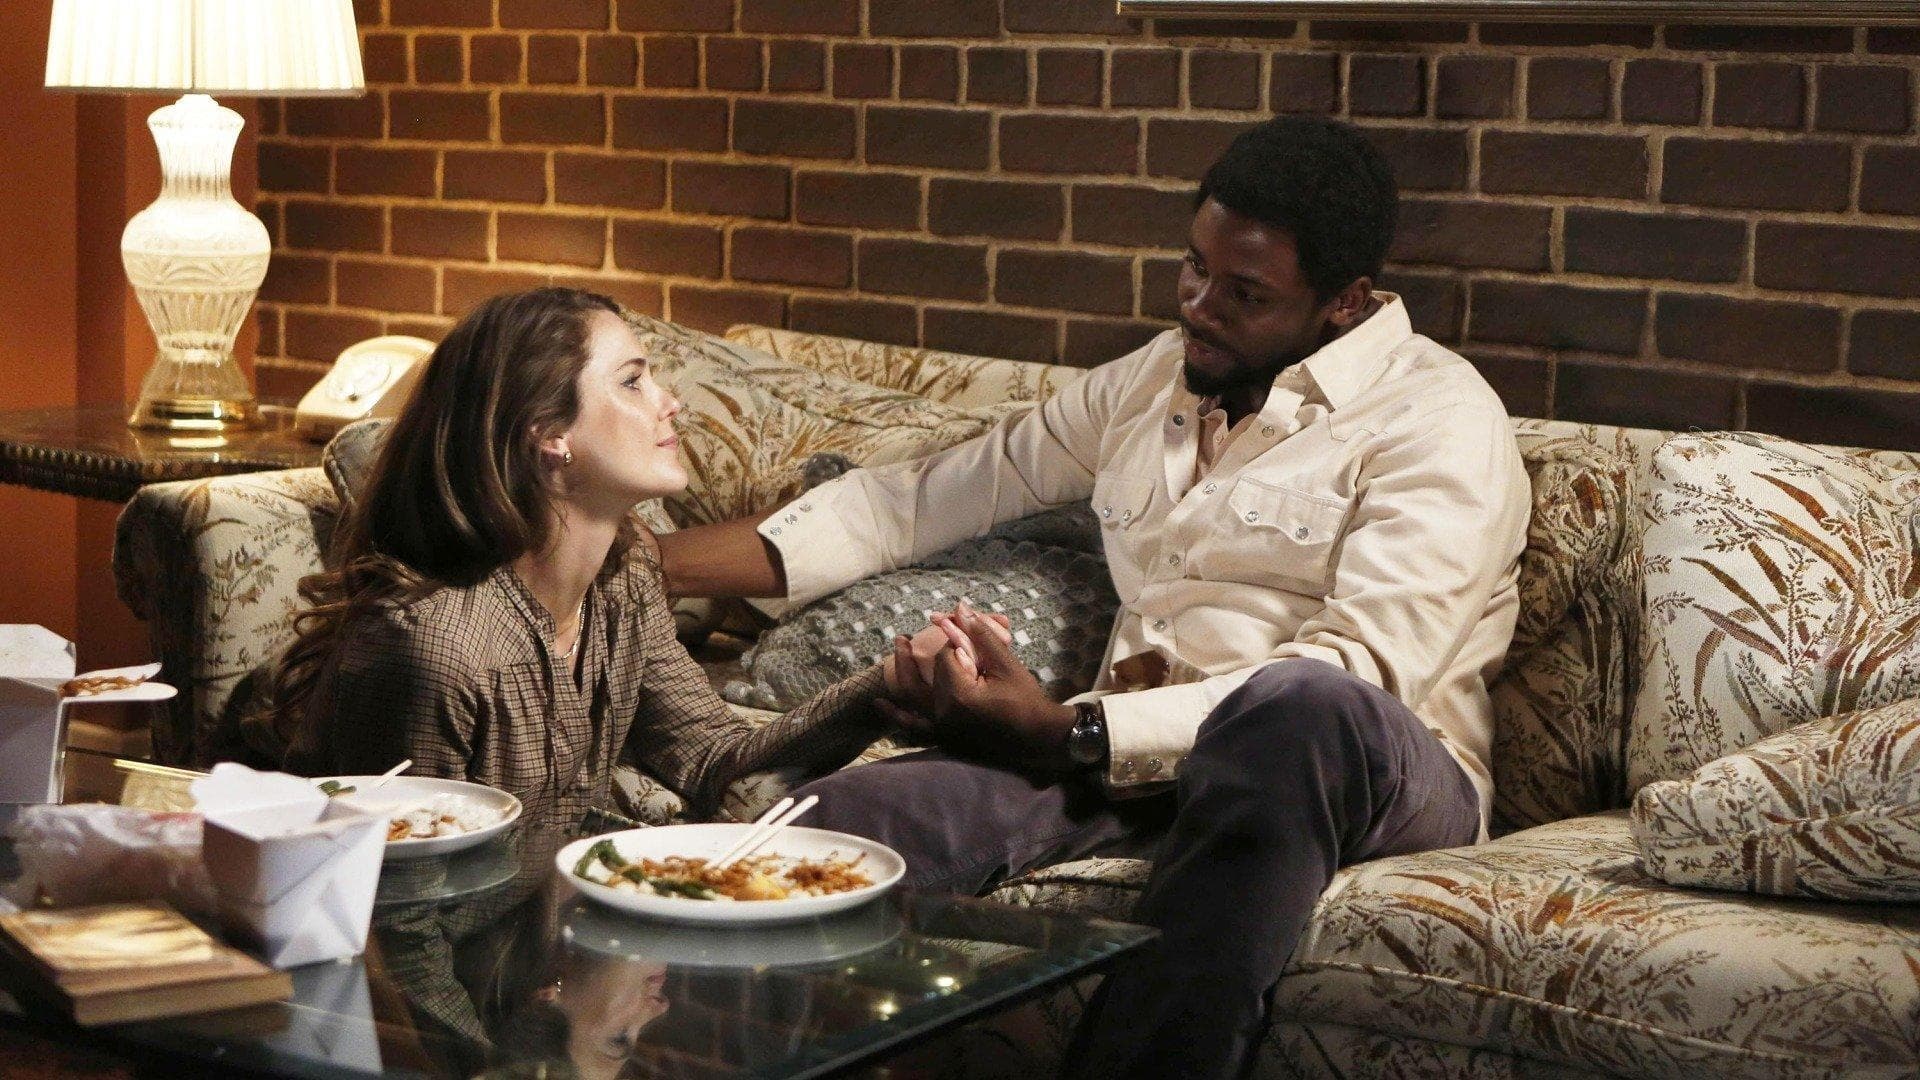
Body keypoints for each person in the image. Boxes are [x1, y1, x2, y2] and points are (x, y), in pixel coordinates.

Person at [656, 115, 1531, 1078]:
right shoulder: (1155, 380)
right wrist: (642, 565)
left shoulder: (1439, 419)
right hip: (1129, 759)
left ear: (1345, 302)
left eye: (1244, 293)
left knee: (1298, 706)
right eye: (1192, 267)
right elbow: (917, 502)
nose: (1199, 307)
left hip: (1365, 772)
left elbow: (1366, 670)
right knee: (832, 824)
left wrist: (1070, 732)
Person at [264, 286, 950, 832]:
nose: (670, 403)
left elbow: (713, 757)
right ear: (549, 435)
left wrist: (890, 685)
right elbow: (404, 905)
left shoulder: (622, 582)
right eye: (632, 382)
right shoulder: (433, 647)